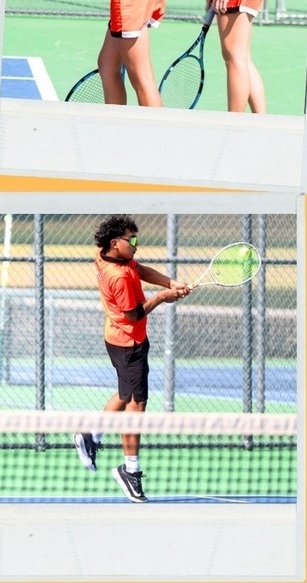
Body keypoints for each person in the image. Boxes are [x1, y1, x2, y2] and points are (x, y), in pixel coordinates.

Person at [72, 214, 191, 502]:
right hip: (130, 343)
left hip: (116, 337)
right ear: (116, 243)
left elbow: (141, 269)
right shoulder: (119, 276)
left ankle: (91, 434)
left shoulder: (104, 255)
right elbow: (134, 314)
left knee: (126, 393)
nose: (136, 244)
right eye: (132, 240)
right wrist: (162, 297)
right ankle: (129, 469)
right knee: (137, 405)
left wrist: (171, 282)